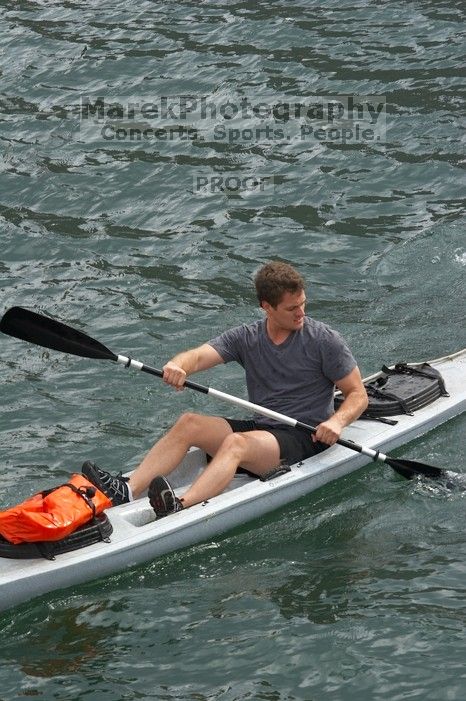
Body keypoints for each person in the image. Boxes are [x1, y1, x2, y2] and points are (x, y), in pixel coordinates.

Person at [82, 261, 368, 517]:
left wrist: (336, 421)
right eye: (292, 308)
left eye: (303, 303)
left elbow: (357, 394)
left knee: (236, 443)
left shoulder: (323, 340)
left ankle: (180, 504)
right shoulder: (246, 337)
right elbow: (196, 356)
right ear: (266, 307)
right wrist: (178, 366)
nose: (301, 313)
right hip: (265, 428)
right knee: (189, 423)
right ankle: (128, 491)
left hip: (305, 436)